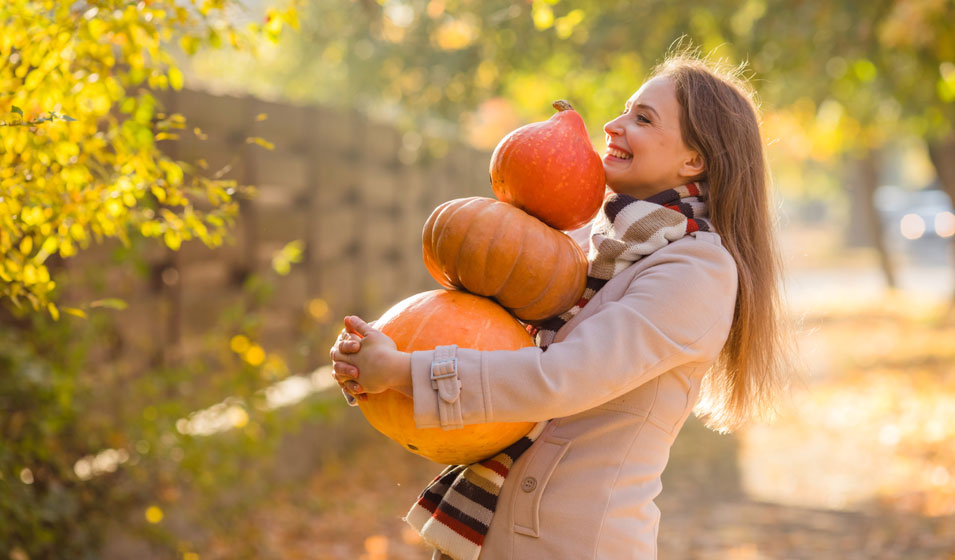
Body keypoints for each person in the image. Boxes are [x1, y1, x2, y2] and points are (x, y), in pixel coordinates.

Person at [329, 50, 791, 560]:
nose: (613, 126)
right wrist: (374, 354)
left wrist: (405, 372)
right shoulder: (591, 247)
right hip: (488, 535)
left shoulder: (698, 272)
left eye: (643, 118)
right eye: (624, 109)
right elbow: (483, 335)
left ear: (693, 161)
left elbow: (563, 376)